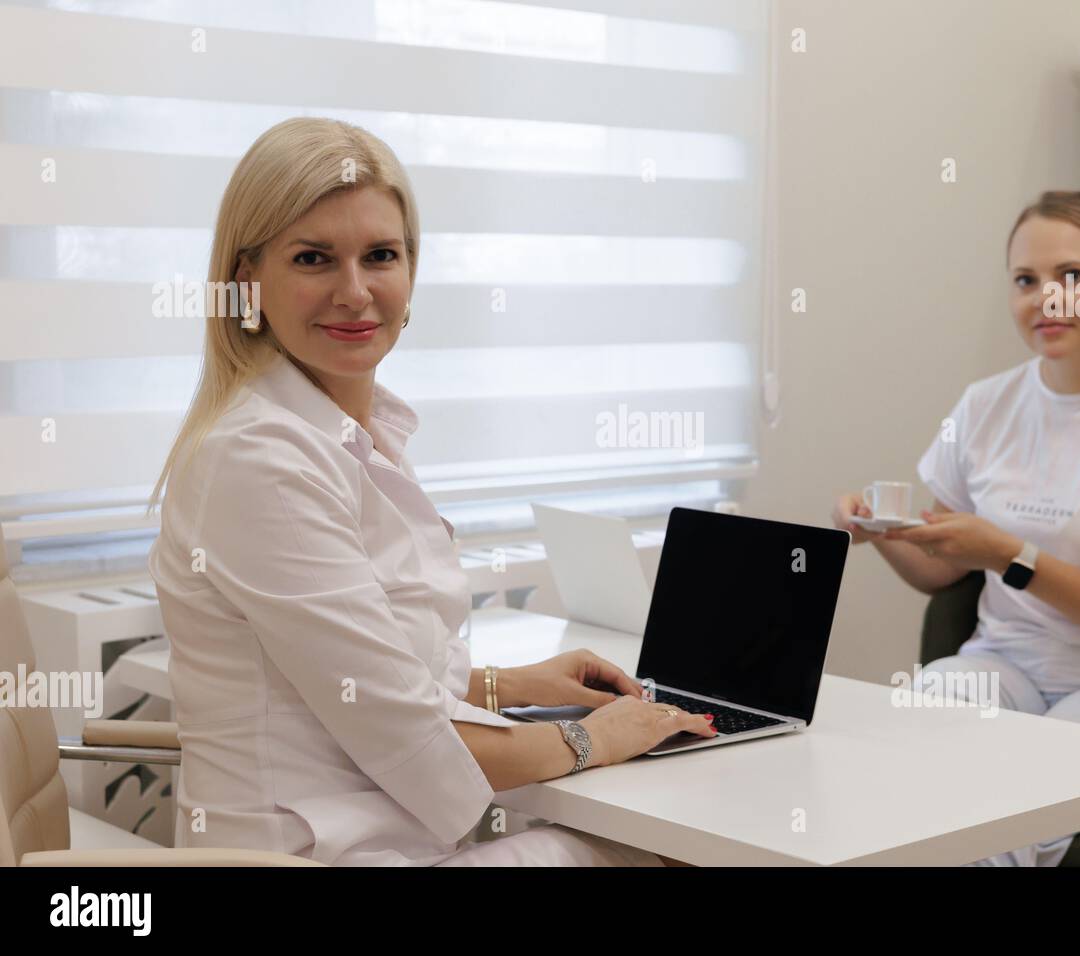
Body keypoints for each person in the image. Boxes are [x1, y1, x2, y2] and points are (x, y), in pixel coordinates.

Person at [146, 117, 714, 867]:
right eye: (314, 258)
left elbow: (381, 669)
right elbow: (412, 737)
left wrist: (503, 684)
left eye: (380, 255)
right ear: (247, 281)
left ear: (412, 273)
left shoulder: (354, 431)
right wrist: (597, 737)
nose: (355, 292)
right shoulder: (260, 459)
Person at [831, 190, 1080, 866]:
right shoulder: (986, 406)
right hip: (1005, 664)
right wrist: (883, 534)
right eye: (1027, 280)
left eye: (1072, 276)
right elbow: (943, 568)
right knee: (903, 765)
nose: (1048, 297)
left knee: (1011, 807)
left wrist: (1013, 556)